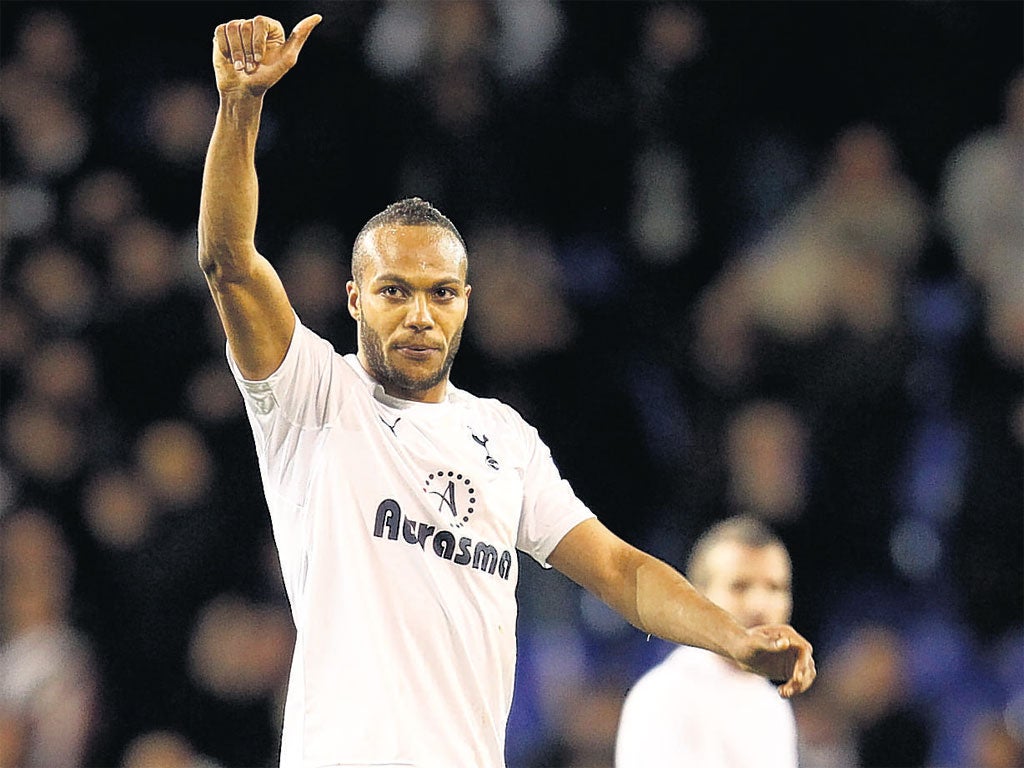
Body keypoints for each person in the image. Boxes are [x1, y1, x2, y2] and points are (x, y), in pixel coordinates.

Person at [198, 13, 816, 768]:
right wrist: (240, 107)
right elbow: (229, 260)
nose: (420, 314)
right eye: (395, 290)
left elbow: (619, 572)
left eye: (441, 292)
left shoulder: (505, 438)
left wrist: (735, 639)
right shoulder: (313, 397)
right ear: (357, 300)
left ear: (465, 302)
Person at [615, 516, 800, 767]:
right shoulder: (663, 697)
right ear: (698, 598)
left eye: (775, 588)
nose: (759, 605)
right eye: (740, 586)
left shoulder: (773, 707)